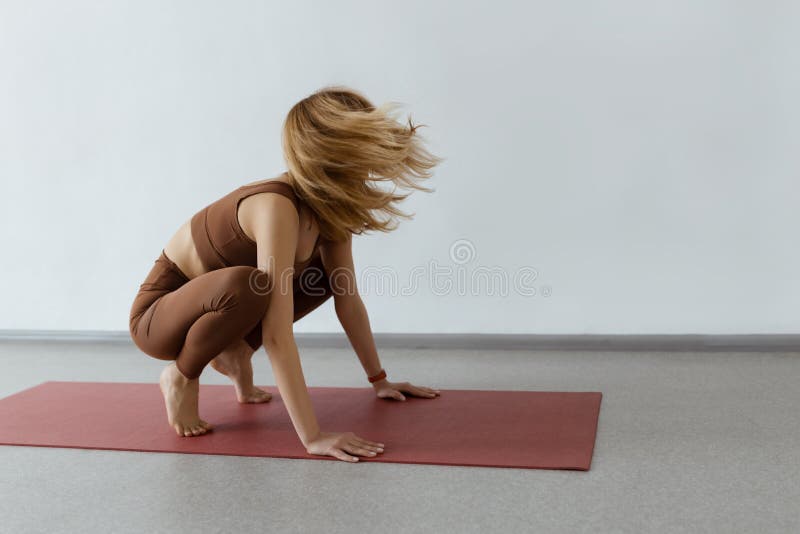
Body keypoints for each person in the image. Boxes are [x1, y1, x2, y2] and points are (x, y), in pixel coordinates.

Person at [128, 86, 443, 463]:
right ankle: (180, 376)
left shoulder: (330, 210)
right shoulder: (276, 205)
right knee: (252, 284)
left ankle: (235, 352)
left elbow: (348, 299)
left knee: (328, 278)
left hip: (221, 308)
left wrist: (380, 380)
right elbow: (278, 333)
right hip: (158, 319)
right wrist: (313, 436)